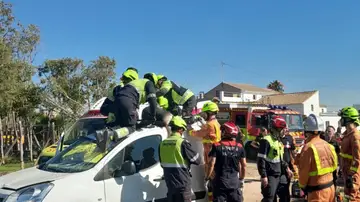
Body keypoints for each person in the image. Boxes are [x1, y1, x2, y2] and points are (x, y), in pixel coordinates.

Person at [159, 116, 201, 202]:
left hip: (170, 183)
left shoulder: (162, 144)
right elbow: (197, 160)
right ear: (180, 129)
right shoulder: (182, 142)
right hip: (182, 183)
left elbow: (162, 163)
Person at [297, 114, 337, 202]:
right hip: (331, 189)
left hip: (317, 193)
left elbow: (304, 172)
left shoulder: (308, 147)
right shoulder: (329, 146)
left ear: (306, 130)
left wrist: (302, 186)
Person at [206, 121, 247, 202]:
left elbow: (211, 163)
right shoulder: (240, 146)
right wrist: (241, 178)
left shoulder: (217, 145)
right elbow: (244, 165)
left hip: (220, 183)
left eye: (222, 130)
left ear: (225, 132)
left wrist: (207, 177)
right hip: (234, 182)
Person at [188, 101, 221, 201]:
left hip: (209, 151)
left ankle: (212, 199)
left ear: (210, 113)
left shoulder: (209, 125)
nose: (204, 115)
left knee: (211, 179)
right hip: (214, 150)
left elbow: (199, 133)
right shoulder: (216, 123)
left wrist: (189, 130)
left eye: (205, 113)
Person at [110, 72, 158, 140]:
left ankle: (104, 134)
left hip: (117, 101)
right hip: (128, 100)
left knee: (122, 125)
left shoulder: (136, 82)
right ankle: (111, 135)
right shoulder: (149, 83)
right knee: (132, 127)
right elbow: (153, 100)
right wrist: (153, 116)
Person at [257, 115, 293, 202]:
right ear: (275, 130)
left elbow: (280, 159)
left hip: (280, 174)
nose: (283, 131)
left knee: (285, 197)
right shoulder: (266, 140)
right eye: (281, 129)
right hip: (270, 176)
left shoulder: (278, 141)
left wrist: (287, 168)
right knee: (270, 198)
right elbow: (261, 160)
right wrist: (264, 176)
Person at [338, 107, 360, 201]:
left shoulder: (355, 136)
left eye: (342, 118)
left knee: (352, 196)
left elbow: (357, 159)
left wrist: (351, 176)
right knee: (349, 195)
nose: (340, 120)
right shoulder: (347, 134)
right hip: (346, 172)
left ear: (347, 119)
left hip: (352, 174)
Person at [277, 127, 295, 202]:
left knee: (285, 189)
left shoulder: (290, 138)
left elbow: (292, 151)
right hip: (278, 168)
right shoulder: (275, 139)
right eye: (282, 128)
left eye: (285, 128)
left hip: (287, 169)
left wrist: (294, 165)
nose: (284, 130)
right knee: (279, 190)